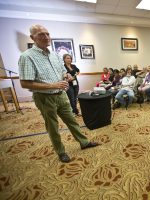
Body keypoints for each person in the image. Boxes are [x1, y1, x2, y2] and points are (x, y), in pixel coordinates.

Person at [18, 25, 98, 163]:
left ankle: (84, 142)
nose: (46, 37)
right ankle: (61, 152)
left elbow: (62, 71)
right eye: (41, 34)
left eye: (47, 34)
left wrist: (66, 76)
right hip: (44, 97)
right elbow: (25, 83)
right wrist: (53, 85)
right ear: (33, 37)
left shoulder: (55, 54)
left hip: (61, 94)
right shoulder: (27, 56)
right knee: (53, 126)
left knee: (72, 120)